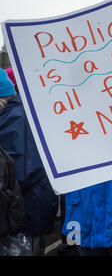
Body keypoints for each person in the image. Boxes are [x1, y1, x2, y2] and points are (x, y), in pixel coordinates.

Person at [0, 68, 58, 255]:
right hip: (28, 212)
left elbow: (16, 174)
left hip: (22, 218)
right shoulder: (18, 115)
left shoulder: (14, 119)